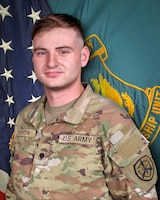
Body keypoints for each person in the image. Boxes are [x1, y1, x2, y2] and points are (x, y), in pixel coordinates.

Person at [6, 13, 158, 200]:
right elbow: (14, 191)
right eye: (42, 53)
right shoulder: (25, 118)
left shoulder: (111, 121)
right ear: (33, 58)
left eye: (63, 51)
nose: (51, 62)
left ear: (83, 56)